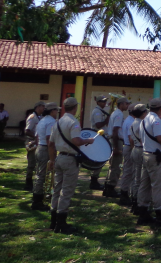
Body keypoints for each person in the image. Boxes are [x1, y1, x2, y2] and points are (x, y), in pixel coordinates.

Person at [48, 96, 95, 234]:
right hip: (69, 159)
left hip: (59, 158)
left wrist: (52, 160)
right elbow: (76, 141)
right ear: (75, 107)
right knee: (66, 191)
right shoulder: (73, 122)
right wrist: (88, 140)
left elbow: (51, 144)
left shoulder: (57, 122)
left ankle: (53, 220)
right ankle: (61, 223)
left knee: (57, 189)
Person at [137, 98, 161, 227]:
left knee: (144, 185)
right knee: (157, 186)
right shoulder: (156, 121)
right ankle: (160, 214)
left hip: (146, 154)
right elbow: (160, 138)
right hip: (156, 156)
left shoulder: (144, 120)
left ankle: (143, 212)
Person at [31, 102, 58, 211]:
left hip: (40, 147)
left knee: (40, 174)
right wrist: (52, 157)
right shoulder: (51, 122)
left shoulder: (42, 120)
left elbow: (37, 137)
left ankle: (38, 197)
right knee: (41, 175)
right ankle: (37, 201)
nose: (57, 112)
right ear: (52, 111)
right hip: (45, 148)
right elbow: (49, 140)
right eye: (56, 110)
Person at [103, 97, 129, 199]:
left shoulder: (115, 113)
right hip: (116, 140)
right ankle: (111, 188)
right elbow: (115, 130)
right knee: (116, 166)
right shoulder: (119, 114)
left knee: (112, 165)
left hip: (114, 140)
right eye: (126, 104)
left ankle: (107, 187)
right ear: (121, 104)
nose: (127, 106)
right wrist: (116, 147)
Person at [129, 104, 148, 214]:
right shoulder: (142, 124)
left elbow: (131, 139)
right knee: (139, 179)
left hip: (135, 149)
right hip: (141, 149)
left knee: (135, 177)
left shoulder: (133, 123)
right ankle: (137, 203)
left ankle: (133, 200)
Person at [88, 95, 111, 190]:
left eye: (105, 101)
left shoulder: (100, 111)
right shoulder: (97, 112)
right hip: (99, 138)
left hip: (102, 137)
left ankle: (95, 180)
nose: (104, 103)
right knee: (99, 159)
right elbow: (98, 125)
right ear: (98, 102)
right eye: (102, 101)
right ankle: (94, 181)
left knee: (101, 159)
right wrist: (107, 119)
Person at [24, 102, 45, 192]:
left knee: (39, 162)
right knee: (31, 163)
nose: (44, 108)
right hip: (32, 142)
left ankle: (37, 182)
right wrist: (36, 137)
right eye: (43, 106)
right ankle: (28, 182)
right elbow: (27, 131)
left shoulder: (41, 117)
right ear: (38, 107)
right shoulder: (32, 117)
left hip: (39, 142)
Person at [118, 102, 137, 206]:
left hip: (128, 146)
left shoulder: (129, 120)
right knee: (129, 172)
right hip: (130, 147)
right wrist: (134, 150)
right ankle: (124, 194)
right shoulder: (131, 122)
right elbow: (131, 139)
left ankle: (125, 193)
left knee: (129, 171)